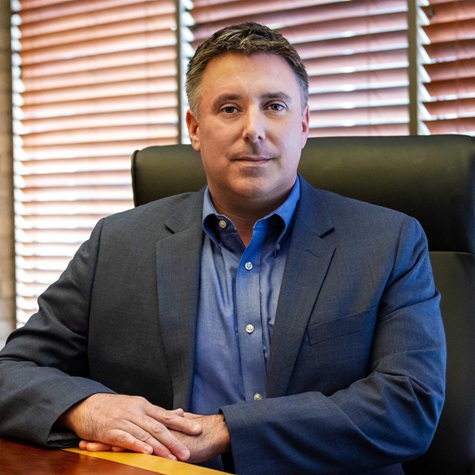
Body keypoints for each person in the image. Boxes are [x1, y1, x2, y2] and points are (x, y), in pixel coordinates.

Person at [0, 22, 446, 475]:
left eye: (275, 106)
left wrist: (228, 430)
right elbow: (11, 371)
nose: (254, 130)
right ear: (195, 129)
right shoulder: (116, 244)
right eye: (230, 108)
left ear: (304, 124)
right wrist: (88, 408)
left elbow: (409, 406)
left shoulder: (389, 242)